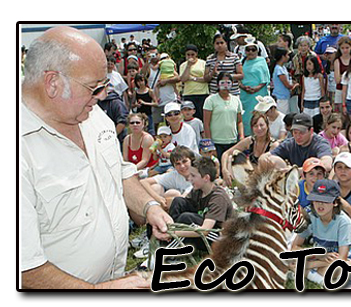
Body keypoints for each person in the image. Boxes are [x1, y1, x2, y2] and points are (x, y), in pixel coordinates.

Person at [21, 26, 171, 289]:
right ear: (53, 83)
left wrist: (150, 207)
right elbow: (22, 270)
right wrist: (98, 292)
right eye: (94, 87)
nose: (103, 95)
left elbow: (119, 171)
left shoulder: (92, 114)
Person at [291, 179, 351, 285]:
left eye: (325, 200)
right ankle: (314, 274)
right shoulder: (311, 217)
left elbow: (342, 257)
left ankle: (309, 273)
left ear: (335, 202)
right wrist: (321, 258)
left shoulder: (343, 221)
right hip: (323, 256)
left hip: (343, 259)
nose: (320, 204)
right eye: (316, 200)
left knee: (339, 269)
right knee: (290, 260)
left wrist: (310, 264)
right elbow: (294, 247)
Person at [168, 156, 234, 252]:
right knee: (178, 201)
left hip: (220, 239)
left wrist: (173, 232)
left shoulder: (218, 197)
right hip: (202, 228)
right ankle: (169, 238)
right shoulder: (198, 190)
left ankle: (169, 247)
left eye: (193, 176)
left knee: (186, 218)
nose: (189, 179)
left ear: (206, 178)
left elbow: (205, 230)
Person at [220, 112, 279, 186]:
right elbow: (226, 153)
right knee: (230, 158)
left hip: (265, 181)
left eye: (261, 125)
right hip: (249, 178)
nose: (259, 128)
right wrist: (224, 170)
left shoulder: (273, 145)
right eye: (255, 126)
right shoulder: (250, 141)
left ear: (267, 126)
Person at [266, 113, 333, 171]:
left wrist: (297, 171)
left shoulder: (320, 143)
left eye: (302, 133)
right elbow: (265, 157)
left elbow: (326, 164)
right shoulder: (289, 143)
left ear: (311, 131)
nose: (298, 136)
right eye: (295, 132)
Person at [203, 72, 245, 162]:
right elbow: (206, 123)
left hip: (233, 142)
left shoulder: (236, 100)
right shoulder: (210, 100)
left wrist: (241, 137)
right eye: (222, 83)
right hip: (216, 142)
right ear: (218, 85)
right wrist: (210, 144)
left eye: (228, 83)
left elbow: (239, 121)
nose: (225, 86)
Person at [240, 37, 271, 136]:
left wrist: (256, 88)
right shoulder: (242, 61)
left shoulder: (262, 61)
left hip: (259, 92)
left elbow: (265, 78)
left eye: (253, 49)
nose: (251, 52)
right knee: (246, 116)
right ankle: (246, 137)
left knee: (259, 114)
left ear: (257, 50)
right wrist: (244, 87)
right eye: (248, 50)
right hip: (245, 94)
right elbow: (238, 77)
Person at [177, 44, 210, 121]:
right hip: (189, 93)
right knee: (189, 117)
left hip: (202, 93)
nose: (190, 56)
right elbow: (183, 79)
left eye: (192, 54)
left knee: (202, 116)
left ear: (196, 54)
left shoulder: (203, 63)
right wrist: (188, 66)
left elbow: (205, 78)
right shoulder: (183, 65)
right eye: (188, 55)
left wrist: (193, 78)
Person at [205, 31, 243, 96]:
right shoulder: (210, 59)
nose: (219, 45)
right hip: (215, 94)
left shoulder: (234, 57)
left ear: (226, 44)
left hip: (232, 93)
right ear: (214, 45)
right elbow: (206, 78)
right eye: (217, 43)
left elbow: (241, 75)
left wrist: (226, 76)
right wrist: (212, 73)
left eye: (222, 43)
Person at [273, 47, 299, 114]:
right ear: (282, 56)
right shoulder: (279, 69)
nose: (288, 57)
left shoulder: (283, 67)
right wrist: (296, 85)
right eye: (287, 55)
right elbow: (287, 85)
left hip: (285, 97)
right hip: (281, 98)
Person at [333, 36, 351, 113]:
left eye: (347, 48)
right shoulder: (337, 61)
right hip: (340, 90)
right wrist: (348, 75)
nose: (345, 50)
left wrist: (343, 76)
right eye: (342, 48)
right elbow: (337, 80)